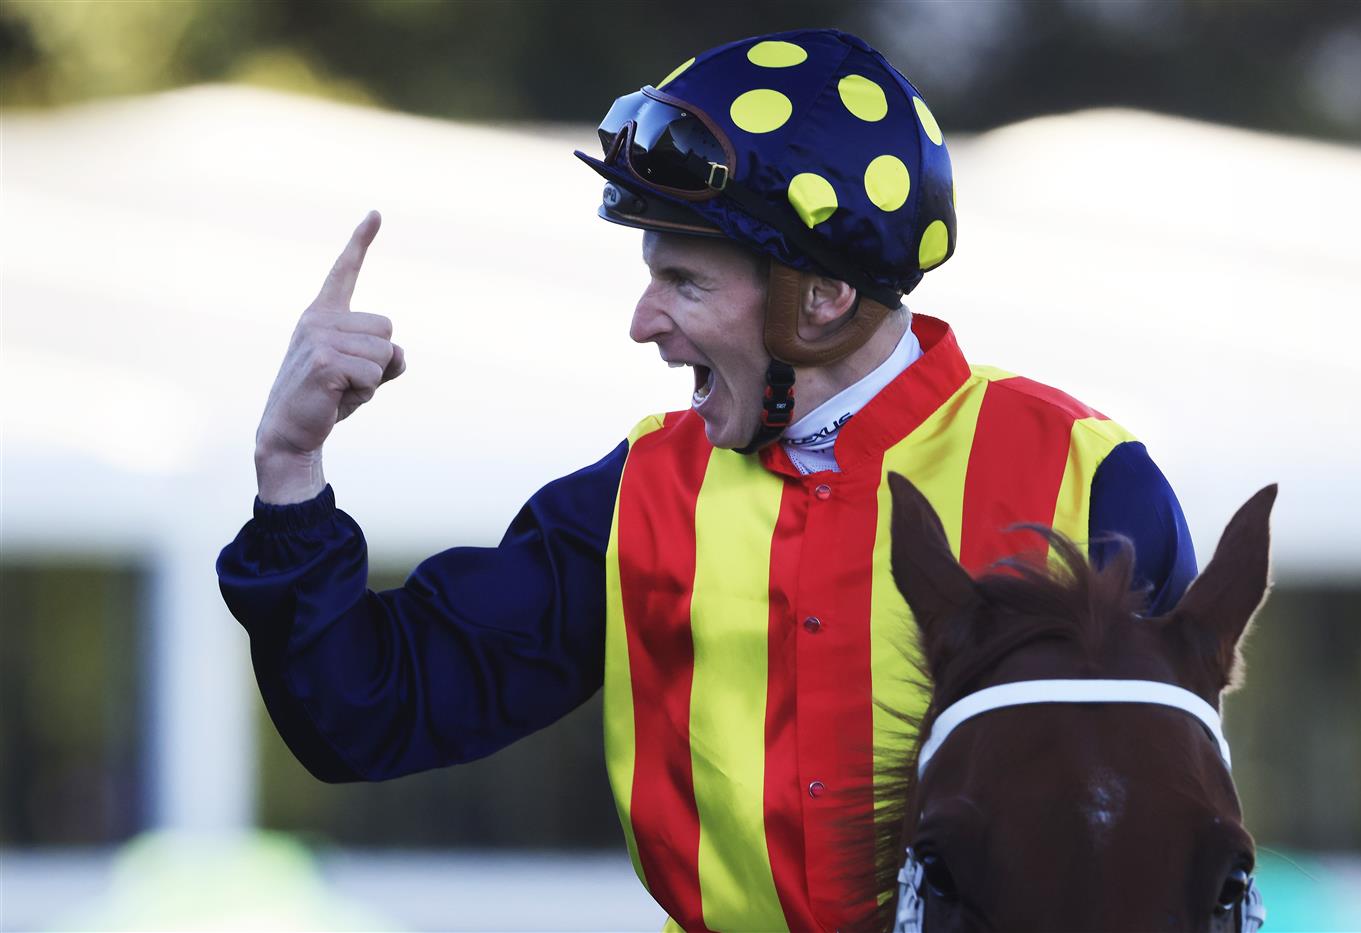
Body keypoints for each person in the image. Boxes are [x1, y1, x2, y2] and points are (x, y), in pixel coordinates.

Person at [217, 28, 1196, 932]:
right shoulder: (635, 493)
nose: (644, 323)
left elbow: (1169, 842)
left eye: (684, 282)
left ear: (823, 296)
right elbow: (367, 714)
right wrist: (289, 470)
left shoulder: (1089, 481)